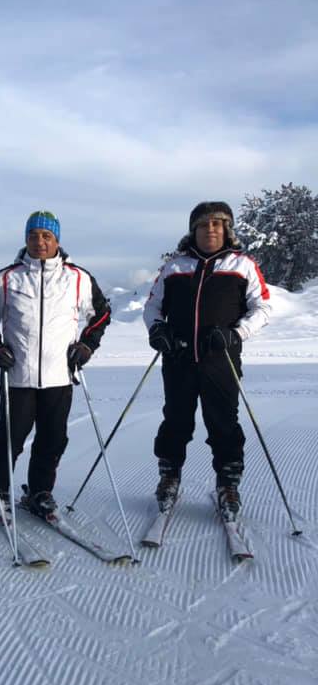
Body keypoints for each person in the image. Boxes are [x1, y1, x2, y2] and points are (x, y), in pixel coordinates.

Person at [0, 210, 111, 518]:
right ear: (25, 239)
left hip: (59, 376)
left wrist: (87, 345)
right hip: (18, 374)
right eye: (33, 235)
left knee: (53, 438)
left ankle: (40, 491)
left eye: (46, 236)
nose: (39, 241)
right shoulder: (7, 278)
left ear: (57, 240)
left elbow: (102, 314)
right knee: (12, 436)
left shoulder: (77, 277)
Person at [143, 200, 271, 518]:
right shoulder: (175, 266)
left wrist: (236, 334)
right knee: (175, 421)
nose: (211, 228)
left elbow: (263, 308)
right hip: (178, 357)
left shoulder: (242, 265)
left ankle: (228, 484)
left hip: (221, 359)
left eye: (217, 223)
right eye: (204, 224)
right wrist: (157, 330)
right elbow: (152, 306)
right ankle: (169, 477)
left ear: (227, 229)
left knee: (224, 423)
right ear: (193, 230)